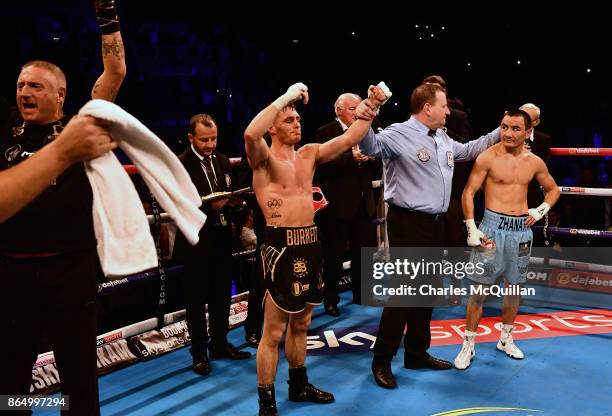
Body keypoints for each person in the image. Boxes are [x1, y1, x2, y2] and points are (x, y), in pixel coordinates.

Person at [0, 1, 126, 414]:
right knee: (11, 376)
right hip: (11, 271)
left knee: (76, 376)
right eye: (20, 85)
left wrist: (106, 14)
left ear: (60, 94)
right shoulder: (4, 129)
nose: (24, 92)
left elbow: (116, 73)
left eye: (34, 86)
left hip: (69, 270)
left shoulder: (80, 129)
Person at [244, 82, 390, 415]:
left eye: (297, 118)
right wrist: (286, 97)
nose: (296, 123)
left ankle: (298, 384)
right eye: (289, 120)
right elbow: (251, 134)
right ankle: (266, 400)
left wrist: (371, 105)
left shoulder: (310, 153)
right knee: (273, 330)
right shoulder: (262, 159)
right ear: (273, 128)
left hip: (310, 244)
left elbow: (351, 138)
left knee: (302, 324)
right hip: (279, 248)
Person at [356, 82, 500, 389]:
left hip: (435, 223)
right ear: (427, 108)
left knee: (428, 288)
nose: (449, 110)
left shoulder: (443, 138)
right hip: (407, 223)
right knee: (405, 292)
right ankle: (382, 359)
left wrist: (502, 130)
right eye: (444, 105)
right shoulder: (398, 133)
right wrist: (369, 109)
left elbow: (470, 150)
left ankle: (417, 353)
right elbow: (368, 146)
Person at [454, 109, 560, 369]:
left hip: (521, 231)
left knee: (514, 288)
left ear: (527, 132)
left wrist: (541, 210)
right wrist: (471, 226)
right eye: (504, 127)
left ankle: (506, 338)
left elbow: (553, 189)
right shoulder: (487, 157)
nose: (508, 133)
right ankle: (468, 345)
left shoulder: (534, 161)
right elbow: (468, 192)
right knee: (479, 290)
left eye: (514, 129)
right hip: (491, 229)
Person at [174, 113, 251, 377]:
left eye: (213, 138)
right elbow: (175, 203)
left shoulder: (221, 160)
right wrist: (207, 206)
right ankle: (199, 353)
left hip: (221, 237)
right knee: (196, 300)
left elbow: (229, 190)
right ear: (191, 137)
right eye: (204, 139)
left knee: (222, 294)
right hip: (194, 239)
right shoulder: (180, 164)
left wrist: (234, 202)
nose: (209, 144)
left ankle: (219, 344)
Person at [313, 92, 382, 315]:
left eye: (358, 107)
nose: (356, 112)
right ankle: (330, 299)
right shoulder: (325, 132)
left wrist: (371, 158)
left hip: (364, 202)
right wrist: (350, 158)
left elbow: (381, 159)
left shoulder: (366, 129)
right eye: (352, 108)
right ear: (339, 110)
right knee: (333, 255)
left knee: (364, 251)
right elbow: (322, 166)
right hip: (336, 205)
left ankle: (362, 294)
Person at [0, 116, 116, 223]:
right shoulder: (10, 122)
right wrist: (60, 152)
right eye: (19, 91)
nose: (25, 94)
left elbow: (99, 114)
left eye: (38, 91)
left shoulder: (75, 128)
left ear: (60, 95)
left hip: (69, 239)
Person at [519, 103, 552, 207]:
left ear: (536, 122)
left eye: (527, 118)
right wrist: (515, 151)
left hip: (532, 192)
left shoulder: (544, 139)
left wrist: (529, 156)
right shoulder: (505, 135)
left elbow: (544, 168)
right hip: (506, 190)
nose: (523, 121)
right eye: (521, 116)